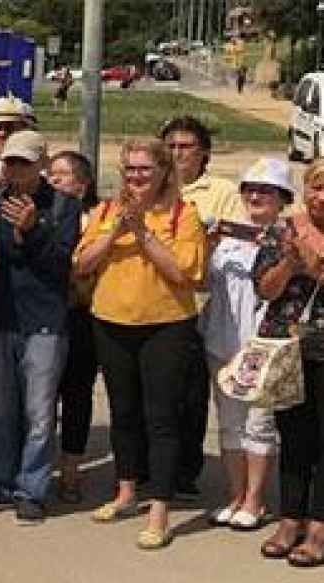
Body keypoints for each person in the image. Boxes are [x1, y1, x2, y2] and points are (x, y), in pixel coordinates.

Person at [72, 138, 207, 549]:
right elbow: (81, 264)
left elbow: (185, 273)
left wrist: (143, 234)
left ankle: (160, 508)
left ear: (165, 172)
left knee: (161, 417)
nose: (135, 177)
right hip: (112, 321)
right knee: (123, 412)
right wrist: (116, 231)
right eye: (129, 169)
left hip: (166, 325)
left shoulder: (185, 215)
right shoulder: (106, 211)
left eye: (144, 169)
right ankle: (126, 490)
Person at [0, 130, 82, 523]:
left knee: (39, 411)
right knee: (0, 408)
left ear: (41, 164)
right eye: (10, 163)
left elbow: (61, 264)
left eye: (24, 163)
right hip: (2, 315)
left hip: (45, 321)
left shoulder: (65, 206)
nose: (15, 170)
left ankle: (32, 488)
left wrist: (33, 229)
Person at [164, 115, 247, 501]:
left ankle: (184, 472)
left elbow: (241, 243)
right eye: (171, 146)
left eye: (186, 147)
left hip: (202, 306)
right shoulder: (153, 189)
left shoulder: (222, 192)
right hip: (155, 304)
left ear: (204, 154)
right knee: (158, 395)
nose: (177, 154)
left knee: (191, 397)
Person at [203, 158, 288, 532]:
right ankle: (235, 494)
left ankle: (256, 499)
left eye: (266, 191)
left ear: (282, 199)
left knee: (259, 423)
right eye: (250, 189)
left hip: (264, 343)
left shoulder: (287, 237)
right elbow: (204, 280)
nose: (255, 196)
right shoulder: (223, 236)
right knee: (230, 423)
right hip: (220, 339)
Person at [252, 159, 324, 566]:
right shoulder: (284, 230)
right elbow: (264, 288)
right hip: (288, 348)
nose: (321, 197)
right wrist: (290, 265)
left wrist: (314, 268)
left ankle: (318, 528)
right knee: (293, 439)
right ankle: (290, 518)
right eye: (315, 187)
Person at [46, 150, 101, 502]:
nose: (53, 180)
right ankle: (40, 466)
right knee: (42, 396)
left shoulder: (94, 218)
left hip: (82, 314)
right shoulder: (39, 213)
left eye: (61, 175)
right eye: (50, 174)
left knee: (77, 394)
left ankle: (71, 470)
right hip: (45, 314)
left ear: (82, 185)